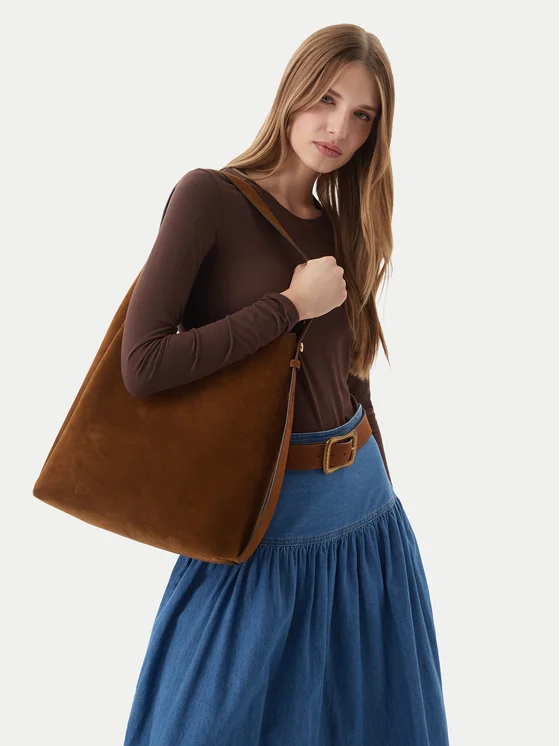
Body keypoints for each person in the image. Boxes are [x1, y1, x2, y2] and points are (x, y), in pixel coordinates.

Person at [121, 23, 450, 746]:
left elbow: (350, 376)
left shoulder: (342, 226)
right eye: (327, 99)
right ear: (292, 92)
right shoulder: (209, 197)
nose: (339, 129)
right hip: (257, 529)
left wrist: (383, 489)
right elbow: (143, 365)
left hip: (367, 522)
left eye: (362, 116)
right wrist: (289, 307)